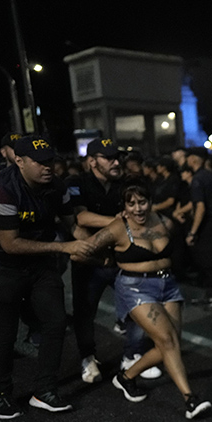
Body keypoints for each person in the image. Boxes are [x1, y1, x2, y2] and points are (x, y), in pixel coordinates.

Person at [0, 136, 94, 419]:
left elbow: (72, 226)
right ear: (20, 161)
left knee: (55, 322)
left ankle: (45, 390)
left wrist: (91, 245)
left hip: (39, 263)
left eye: (50, 160)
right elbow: (11, 244)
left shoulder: (57, 186)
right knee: (5, 331)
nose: (48, 167)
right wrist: (66, 247)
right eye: (39, 162)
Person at [86, 183, 211, 419]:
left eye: (142, 202)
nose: (137, 208)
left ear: (150, 201)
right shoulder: (117, 227)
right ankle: (190, 400)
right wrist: (104, 260)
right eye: (131, 203)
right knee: (167, 340)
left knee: (169, 343)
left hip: (168, 285)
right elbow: (84, 248)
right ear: (123, 207)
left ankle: (126, 378)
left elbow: (171, 241)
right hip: (135, 287)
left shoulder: (163, 222)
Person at [70, 137, 127, 384]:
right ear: (92, 161)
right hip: (89, 261)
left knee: (137, 307)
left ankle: (135, 353)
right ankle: (88, 358)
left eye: (118, 157)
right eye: (109, 157)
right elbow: (81, 218)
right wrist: (118, 221)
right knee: (85, 313)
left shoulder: (122, 184)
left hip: (119, 258)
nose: (116, 162)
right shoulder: (76, 182)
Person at [184, 147, 212, 310]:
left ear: (194, 159)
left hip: (206, 226)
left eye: (188, 156)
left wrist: (193, 232)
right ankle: (211, 294)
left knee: (211, 262)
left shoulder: (198, 179)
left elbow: (200, 207)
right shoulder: (211, 176)